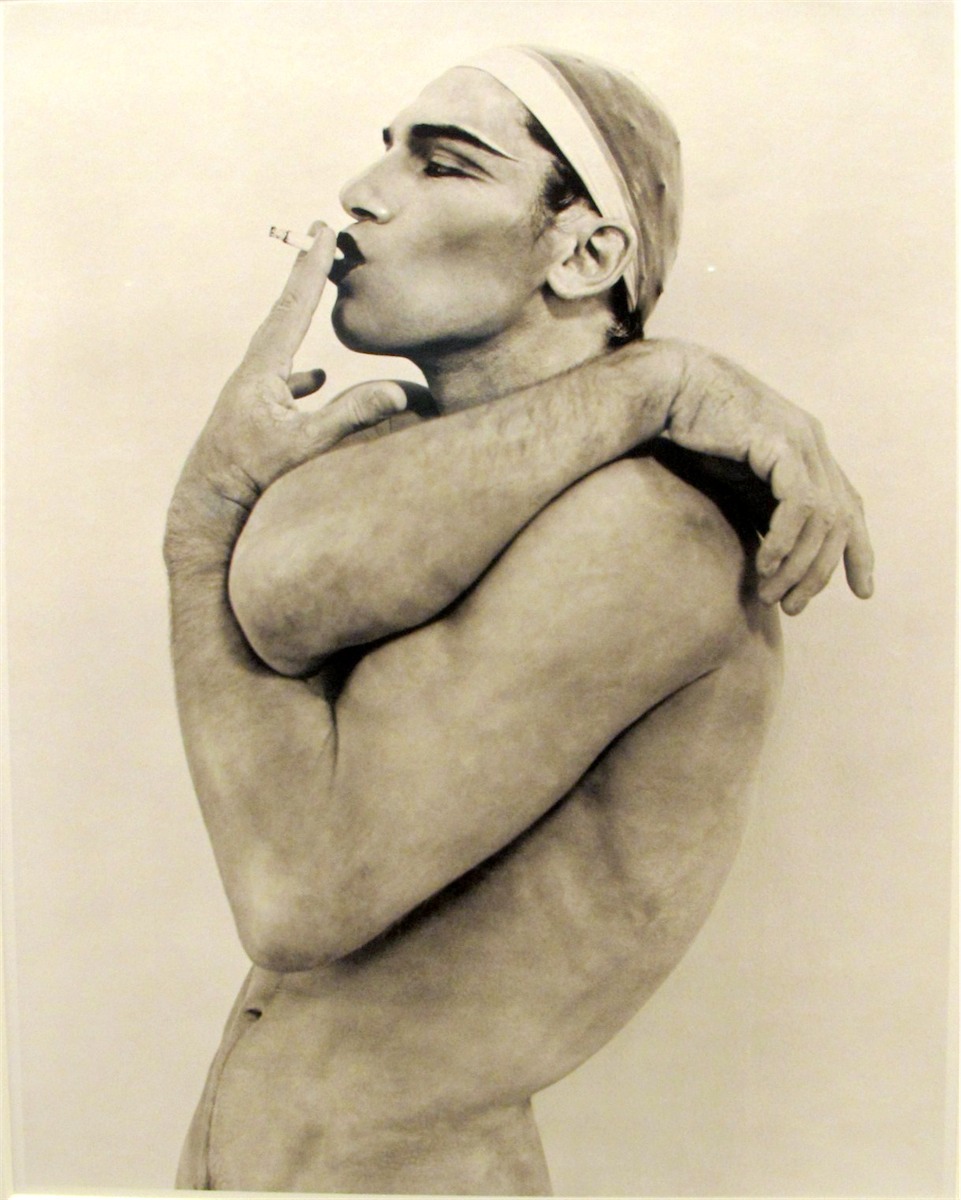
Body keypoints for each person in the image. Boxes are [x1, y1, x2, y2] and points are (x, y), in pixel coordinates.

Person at [164, 47, 873, 1195]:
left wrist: (202, 525)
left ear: (586, 254)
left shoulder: (649, 534)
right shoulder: (418, 473)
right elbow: (286, 608)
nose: (362, 193)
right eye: (385, 149)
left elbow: (298, 892)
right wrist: (656, 381)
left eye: (441, 164)